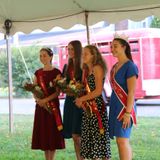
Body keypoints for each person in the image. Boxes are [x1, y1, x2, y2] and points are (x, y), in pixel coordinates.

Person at [75, 45, 111, 160]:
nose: (83, 56)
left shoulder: (97, 68)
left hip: (97, 108)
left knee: (100, 142)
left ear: (93, 55)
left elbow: (98, 91)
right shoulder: (86, 70)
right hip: (88, 108)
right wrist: (81, 99)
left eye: (86, 53)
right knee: (91, 143)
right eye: (82, 54)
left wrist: (82, 99)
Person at [31, 47, 65, 160]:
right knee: (44, 133)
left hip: (53, 108)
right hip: (41, 108)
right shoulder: (37, 73)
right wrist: (38, 100)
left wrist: (45, 101)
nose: (42, 58)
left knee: (52, 133)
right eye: (40, 56)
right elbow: (34, 89)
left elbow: (57, 92)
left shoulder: (57, 72)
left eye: (44, 55)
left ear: (51, 57)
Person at [109, 35, 138, 160]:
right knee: (119, 141)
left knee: (123, 141)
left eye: (115, 46)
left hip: (125, 108)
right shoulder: (114, 67)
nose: (112, 49)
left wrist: (127, 113)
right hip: (115, 106)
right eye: (111, 47)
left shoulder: (130, 66)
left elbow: (131, 92)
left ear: (124, 47)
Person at [62, 40, 83, 160]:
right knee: (74, 135)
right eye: (68, 49)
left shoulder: (83, 66)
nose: (69, 51)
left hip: (80, 102)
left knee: (79, 134)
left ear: (78, 50)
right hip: (70, 102)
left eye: (72, 49)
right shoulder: (66, 66)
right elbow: (64, 84)